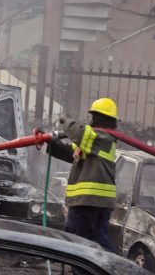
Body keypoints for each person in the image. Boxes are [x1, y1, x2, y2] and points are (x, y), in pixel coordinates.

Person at [47, 98, 118, 253]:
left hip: (90, 200)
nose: (90, 121)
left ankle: (107, 272)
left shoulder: (103, 138)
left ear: (100, 118)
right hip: (93, 201)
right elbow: (71, 152)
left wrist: (65, 120)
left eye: (93, 117)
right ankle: (103, 274)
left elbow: (79, 133)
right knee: (95, 239)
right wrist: (51, 143)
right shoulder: (94, 141)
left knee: (77, 239)